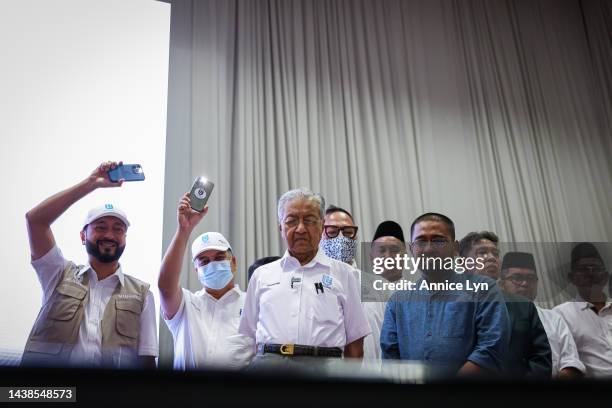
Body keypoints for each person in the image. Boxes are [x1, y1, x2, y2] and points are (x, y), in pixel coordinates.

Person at [21, 161, 157, 368]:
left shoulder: (143, 294)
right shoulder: (58, 274)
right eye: (100, 227)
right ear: (83, 236)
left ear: (125, 237)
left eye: (118, 229)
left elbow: (147, 363)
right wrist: (91, 183)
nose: (109, 235)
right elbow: (35, 220)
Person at [239, 188, 370, 367]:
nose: (300, 228)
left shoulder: (344, 274)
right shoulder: (261, 275)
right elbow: (248, 338)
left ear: (322, 226)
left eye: (309, 220)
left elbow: (355, 344)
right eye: (291, 221)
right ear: (280, 227)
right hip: (269, 368)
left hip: (324, 367)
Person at [381, 213, 510, 377]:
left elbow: (492, 348)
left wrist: (445, 394)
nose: (428, 249)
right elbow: (390, 359)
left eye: (438, 240)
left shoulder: (483, 289)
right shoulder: (397, 301)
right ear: (412, 249)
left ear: (455, 248)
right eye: (421, 241)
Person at [158, 193, 254, 369]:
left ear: (233, 262)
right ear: (197, 270)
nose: (213, 264)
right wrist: (183, 230)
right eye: (204, 261)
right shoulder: (186, 306)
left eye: (219, 257)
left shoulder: (252, 304)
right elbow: (165, 287)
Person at [459, 233, 552, 378]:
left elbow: (541, 358)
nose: (491, 257)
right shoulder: (451, 305)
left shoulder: (524, 306)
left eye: (495, 253)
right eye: (482, 253)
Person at [496, 251, 584, 379]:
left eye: (530, 278)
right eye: (517, 278)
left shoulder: (553, 318)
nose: (525, 283)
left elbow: (570, 362)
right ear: (501, 284)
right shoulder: (492, 317)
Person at [554, 243, 612, 378]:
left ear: (605, 276)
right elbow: (565, 363)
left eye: (596, 268)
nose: (591, 274)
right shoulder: (560, 315)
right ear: (571, 277)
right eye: (583, 269)